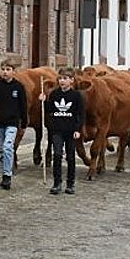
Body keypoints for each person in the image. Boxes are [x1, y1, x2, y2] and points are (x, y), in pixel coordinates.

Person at [41, 68, 86, 196]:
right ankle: (57, 183)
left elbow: (81, 114)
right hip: (57, 130)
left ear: (71, 80)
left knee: (70, 157)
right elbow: (49, 109)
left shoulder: (76, 96)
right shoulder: (55, 94)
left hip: (71, 130)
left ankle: (70, 183)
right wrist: (44, 101)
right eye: (60, 78)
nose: (62, 81)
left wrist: (78, 129)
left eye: (65, 78)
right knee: (57, 155)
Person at [0, 57, 27, 190]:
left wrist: (24, 122)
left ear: (13, 71)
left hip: (12, 122)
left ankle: (7, 175)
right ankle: (5, 168)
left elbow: (23, 105)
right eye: (3, 69)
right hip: (0, 122)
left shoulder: (18, 87)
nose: (5, 72)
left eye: (8, 70)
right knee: (2, 150)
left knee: (7, 147)